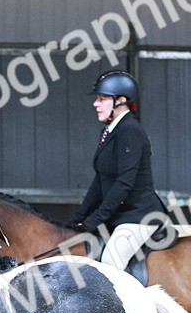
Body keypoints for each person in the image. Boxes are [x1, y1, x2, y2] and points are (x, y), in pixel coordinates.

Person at [68, 70, 168, 271]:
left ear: (121, 100)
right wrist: (78, 218)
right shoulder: (110, 130)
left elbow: (124, 182)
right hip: (119, 215)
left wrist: (96, 218)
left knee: (110, 262)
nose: (95, 104)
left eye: (102, 98)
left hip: (139, 216)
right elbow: (100, 180)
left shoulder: (130, 131)